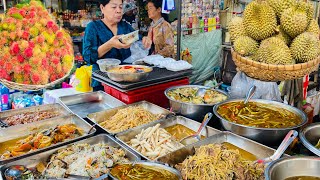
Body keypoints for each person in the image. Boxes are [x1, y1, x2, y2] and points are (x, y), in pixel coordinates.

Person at [83, 0, 151, 91]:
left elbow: (138, 38)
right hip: (102, 83)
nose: (119, 11)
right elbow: (88, 56)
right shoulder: (93, 27)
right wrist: (110, 44)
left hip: (127, 80)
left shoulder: (125, 27)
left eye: (120, 7)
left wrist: (145, 40)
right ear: (102, 8)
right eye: (114, 7)